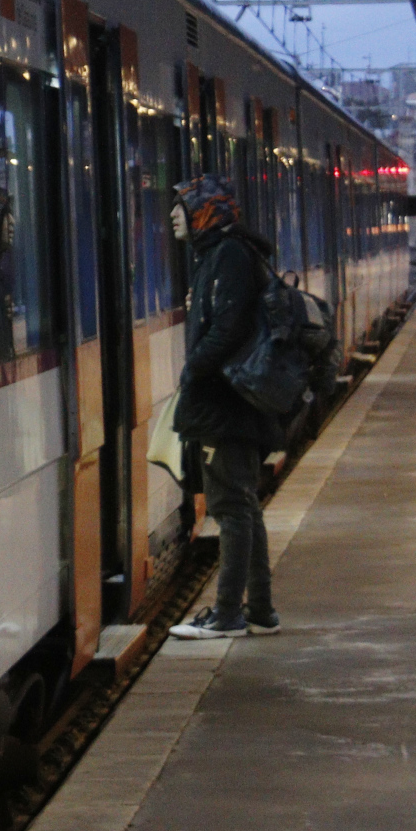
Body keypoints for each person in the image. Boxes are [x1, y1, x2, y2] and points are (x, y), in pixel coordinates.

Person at [166, 174, 283, 639]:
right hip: (227, 401)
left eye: (181, 206)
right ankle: (260, 610)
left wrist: (193, 369)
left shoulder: (228, 255)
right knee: (244, 507)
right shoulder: (217, 255)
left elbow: (228, 327)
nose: (173, 216)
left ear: (204, 211)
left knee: (231, 509)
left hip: (225, 404)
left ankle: (229, 614)